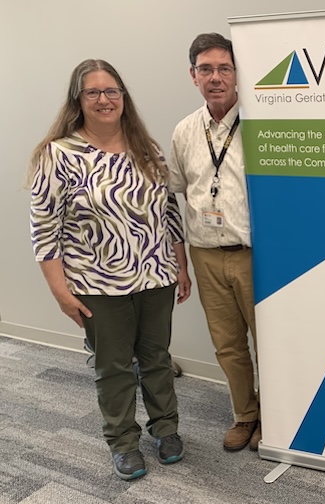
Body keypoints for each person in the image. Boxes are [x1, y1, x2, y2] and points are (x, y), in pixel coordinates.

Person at [29, 59, 191, 480]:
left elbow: (168, 212)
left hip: (156, 276)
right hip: (97, 286)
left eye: (111, 91)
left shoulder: (146, 148)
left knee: (156, 359)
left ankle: (166, 430)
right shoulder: (59, 154)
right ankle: (122, 441)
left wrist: (181, 264)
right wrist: (59, 290)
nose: (104, 99)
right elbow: (44, 229)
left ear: (123, 96)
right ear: (78, 100)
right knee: (113, 367)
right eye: (93, 93)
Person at [169, 33, 261, 452]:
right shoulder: (185, 132)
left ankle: (276, 418)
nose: (216, 77)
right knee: (227, 345)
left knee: (269, 342)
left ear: (238, 74)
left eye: (225, 68)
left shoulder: (261, 125)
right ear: (193, 76)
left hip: (255, 256)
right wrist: (181, 264)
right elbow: (175, 196)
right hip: (205, 254)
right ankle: (245, 414)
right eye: (206, 69)